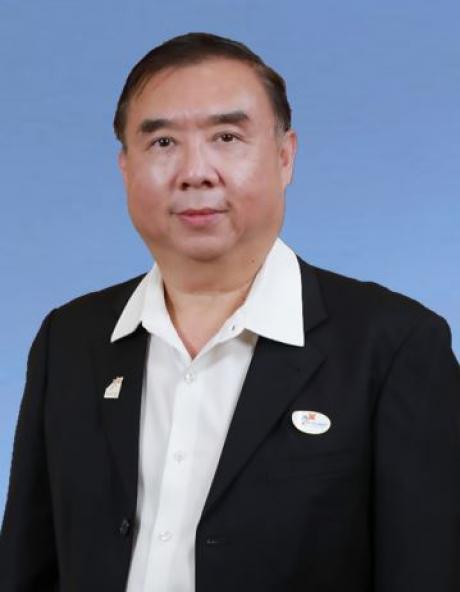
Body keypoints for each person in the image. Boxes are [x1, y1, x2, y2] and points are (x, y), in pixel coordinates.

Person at [1, 32, 459, 592]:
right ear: (125, 167)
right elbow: (27, 566)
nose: (195, 172)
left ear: (285, 156)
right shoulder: (69, 340)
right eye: (163, 142)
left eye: (226, 137)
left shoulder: (393, 346)